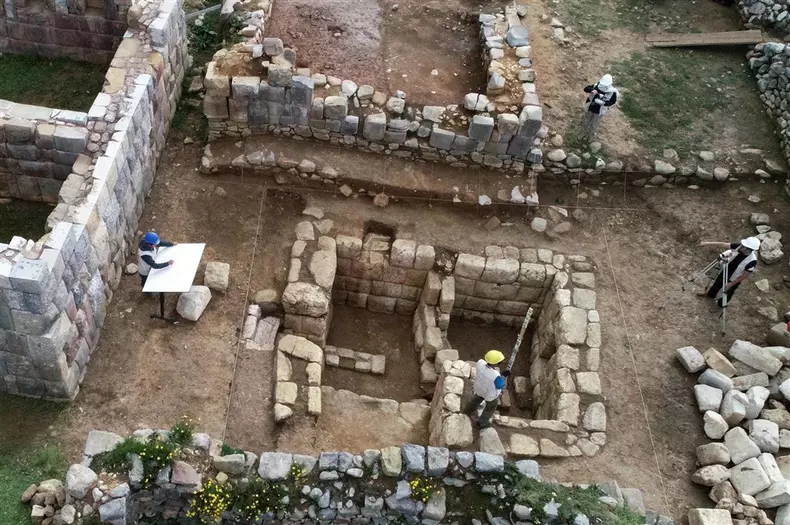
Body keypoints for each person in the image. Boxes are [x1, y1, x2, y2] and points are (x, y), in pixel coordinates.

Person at [698, 237, 760, 307]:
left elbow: (744, 275)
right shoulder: (739, 246)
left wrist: (731, 284)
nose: (741, 246)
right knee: (717, 283)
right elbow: (723, 244)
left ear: (748, 249)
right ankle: (710, 295)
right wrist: (707, 243)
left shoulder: (752, 261)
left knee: (727, 292)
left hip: (735, 278)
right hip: (726, 270)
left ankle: (721, 304)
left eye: (744, 246)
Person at [462, 350, 510, 429]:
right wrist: (503, 376)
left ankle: (467, 411)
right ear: (495, 363)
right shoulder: (495, 375)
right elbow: (499, 385)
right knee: (490, 408)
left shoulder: (480, 363)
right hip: (489, 394)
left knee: (475, 400)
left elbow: (488, 373)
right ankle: (482, 422)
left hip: (479, 389)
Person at [582, 74, 619, 140]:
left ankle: (591, 136)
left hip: (599, 111)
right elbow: (586, 89)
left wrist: (603, 103)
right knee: (586, 120)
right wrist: (592, 90)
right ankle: (583, 133)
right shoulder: (597, 86)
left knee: (594, 124)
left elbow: (612, 102)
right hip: (590, 107)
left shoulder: (612, 92)